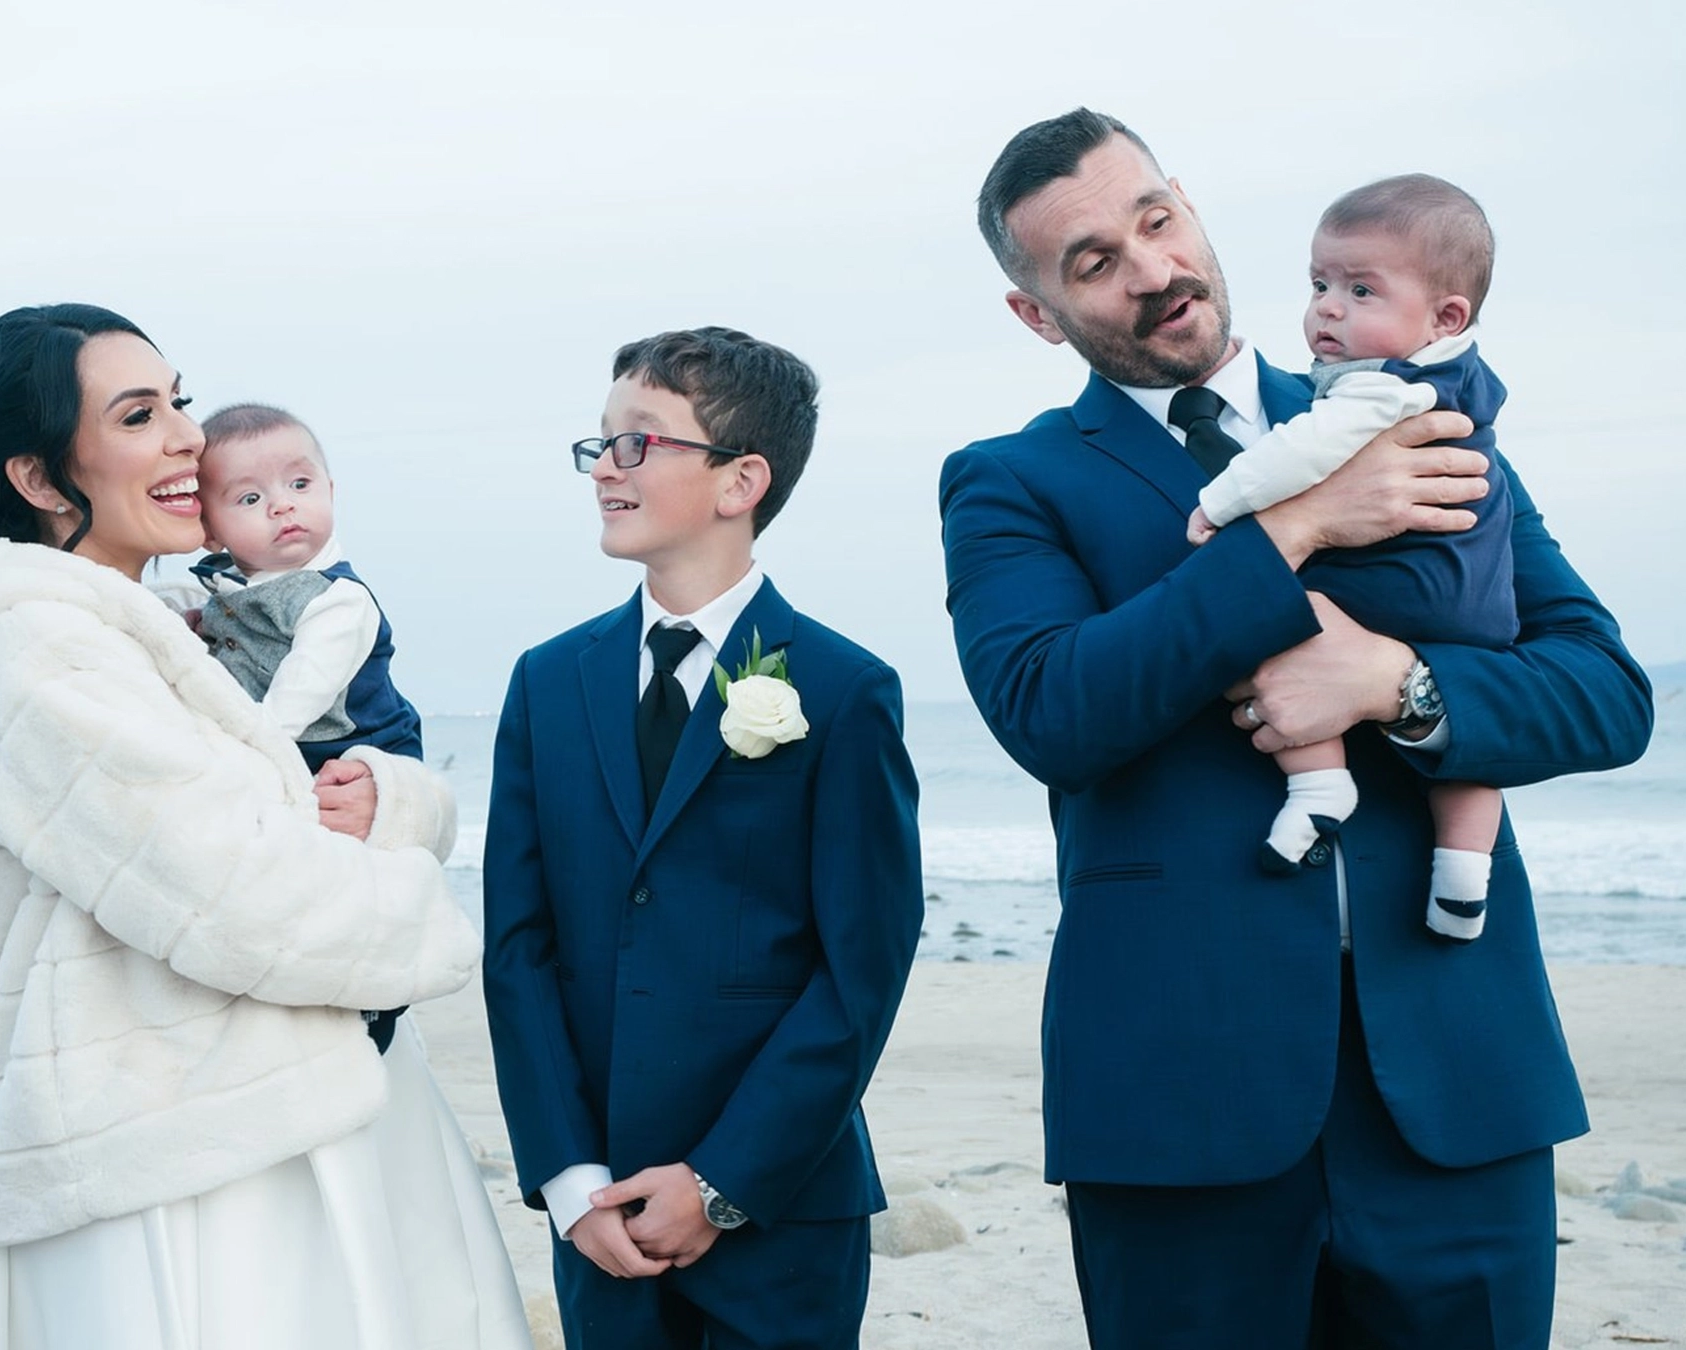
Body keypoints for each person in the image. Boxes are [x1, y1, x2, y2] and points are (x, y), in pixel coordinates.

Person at [938, 111, 1652, 1347]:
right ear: (1036, 315)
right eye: (1094, 260)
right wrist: (1298, 527)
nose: (1153, 268)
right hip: (1176, 1110)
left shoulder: (1413, 404)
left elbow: (1603, 689)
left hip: (1457, 1093)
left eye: (1156, 220)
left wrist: (1399, 688)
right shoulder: (1007, 480)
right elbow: (1052, 711)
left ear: (1191, 206)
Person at [0, 304, 531, 1350]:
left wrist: (396, 797)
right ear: (43, 479)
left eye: (179, 401)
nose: (191, 436)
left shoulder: (171, 632)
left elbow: (292, 795)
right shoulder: (40, 653)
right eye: (141, 415)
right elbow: (242, 895)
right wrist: (420, 905)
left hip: (282, 1103)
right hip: (177, 1147)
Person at [482, 326, 923, 1350]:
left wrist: (723, 1183)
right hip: (601, 1214)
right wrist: (569, 1179)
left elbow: (862, 968)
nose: (606, 470)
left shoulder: (843, 688)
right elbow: (518, 945)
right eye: (599, 444)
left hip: (779, 1208)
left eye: (640, 441)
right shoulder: (548, 683)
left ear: (741, 481)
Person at [1185, 175, 1515, 943]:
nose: (1328, 307)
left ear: (1444, 317)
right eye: (1320, 283)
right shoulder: (1466, 385)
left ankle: (1318, 781)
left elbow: (1296, 454)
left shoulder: (1380, 390)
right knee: (1473, 758)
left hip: (1399, 586)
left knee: (1285, 615)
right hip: (1478, 602)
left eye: (1361, 291)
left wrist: (1221, 502)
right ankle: (1464, 881)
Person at [191, 402, 424, 1050]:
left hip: (355, 744)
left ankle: (378, 1011)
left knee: (367, 891)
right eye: (249, 497)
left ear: (330, 491)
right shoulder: (227, 590)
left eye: (300, 485)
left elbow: (294, 699)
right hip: (297, 754)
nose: (282, 506)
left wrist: (239, 762)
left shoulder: (336, 599)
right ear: (210, 529)